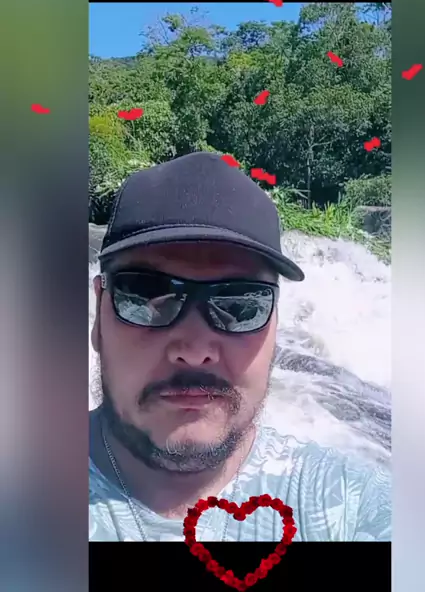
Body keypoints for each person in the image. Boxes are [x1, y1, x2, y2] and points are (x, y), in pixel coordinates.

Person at [89, 151, 391, 542]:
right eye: (146, 297)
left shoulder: (349, 503)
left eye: (240, 305)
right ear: (98, 314)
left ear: (275, 322)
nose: (195, 350)